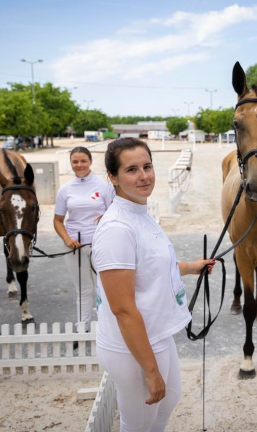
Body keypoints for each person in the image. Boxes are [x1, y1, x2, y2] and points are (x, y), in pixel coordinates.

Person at [91, 137, 214, 432]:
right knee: (139, 424)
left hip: (155, 333)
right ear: (113, 178)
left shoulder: (140, 213)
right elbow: (122, 309)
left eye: (147, 166)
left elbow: (152, 268)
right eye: (132, 170)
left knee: (169, 401)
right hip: (131, 345)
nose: (144, 176)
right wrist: (149, 369)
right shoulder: (116, 229)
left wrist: (190, 268)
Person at [54, 147, 115, 329]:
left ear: (90, 162)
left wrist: (107, 218)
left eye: (83, 161)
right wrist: (67, 240)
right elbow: (58, 221)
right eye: (75, 161)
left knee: (102, 289)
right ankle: (82, 328)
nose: (79, 165)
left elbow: (116, 213)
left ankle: (106, 329)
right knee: (83, 289)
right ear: (71, 163)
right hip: (74, 247)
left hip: (101, 245)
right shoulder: (65, 190)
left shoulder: (104, 186)